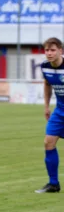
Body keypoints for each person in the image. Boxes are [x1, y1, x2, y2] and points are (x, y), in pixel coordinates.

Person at [37, 37, 64, 193]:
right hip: (59, 110)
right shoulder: (45, 67)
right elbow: (47, 84)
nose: (49, 53)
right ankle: (53, 184)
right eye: (47, 50)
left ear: (61, 51)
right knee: (48, 142)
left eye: (52, 50)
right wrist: (46, 106)